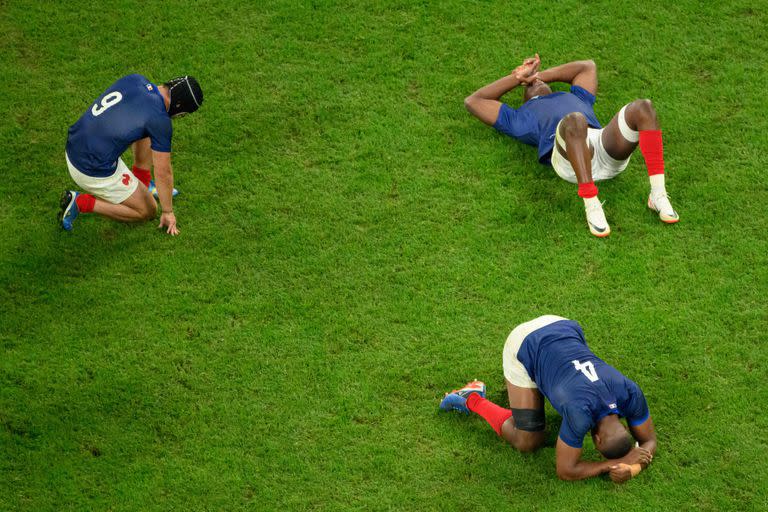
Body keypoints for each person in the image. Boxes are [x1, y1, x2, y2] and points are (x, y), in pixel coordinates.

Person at [464, 55, 678, 237]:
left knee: (643, 107)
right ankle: (591, 204)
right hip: (569, 160)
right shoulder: (519, 118)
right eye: (528, 87)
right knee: (574, 120)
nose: (534, 85)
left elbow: (587, 66)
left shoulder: (577, 97)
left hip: (600, 146)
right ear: (525, 99)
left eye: (536, 82)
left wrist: (536, 76)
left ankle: (657, 195)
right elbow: (474, 101)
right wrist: (516, 78)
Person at [439, 315, 657, 483]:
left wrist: (633, 466)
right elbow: (566, 470)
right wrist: (616, 463)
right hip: (523, 343)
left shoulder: (630, 392)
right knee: (528, 441)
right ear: (598, 440)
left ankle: (537, 387)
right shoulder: (579, 412)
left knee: (557, 386)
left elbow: (649, 442)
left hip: (562, 324)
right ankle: (472, 397)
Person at [58, 74, 203, 236]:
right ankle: (80, 202)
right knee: (148, 210)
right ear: (178, 105)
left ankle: (142, 182)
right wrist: (168, 211)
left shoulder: (136, 80)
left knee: (149, 127)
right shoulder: (160, 120)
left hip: (76, 144)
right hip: (90, 168)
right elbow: (164, 172)